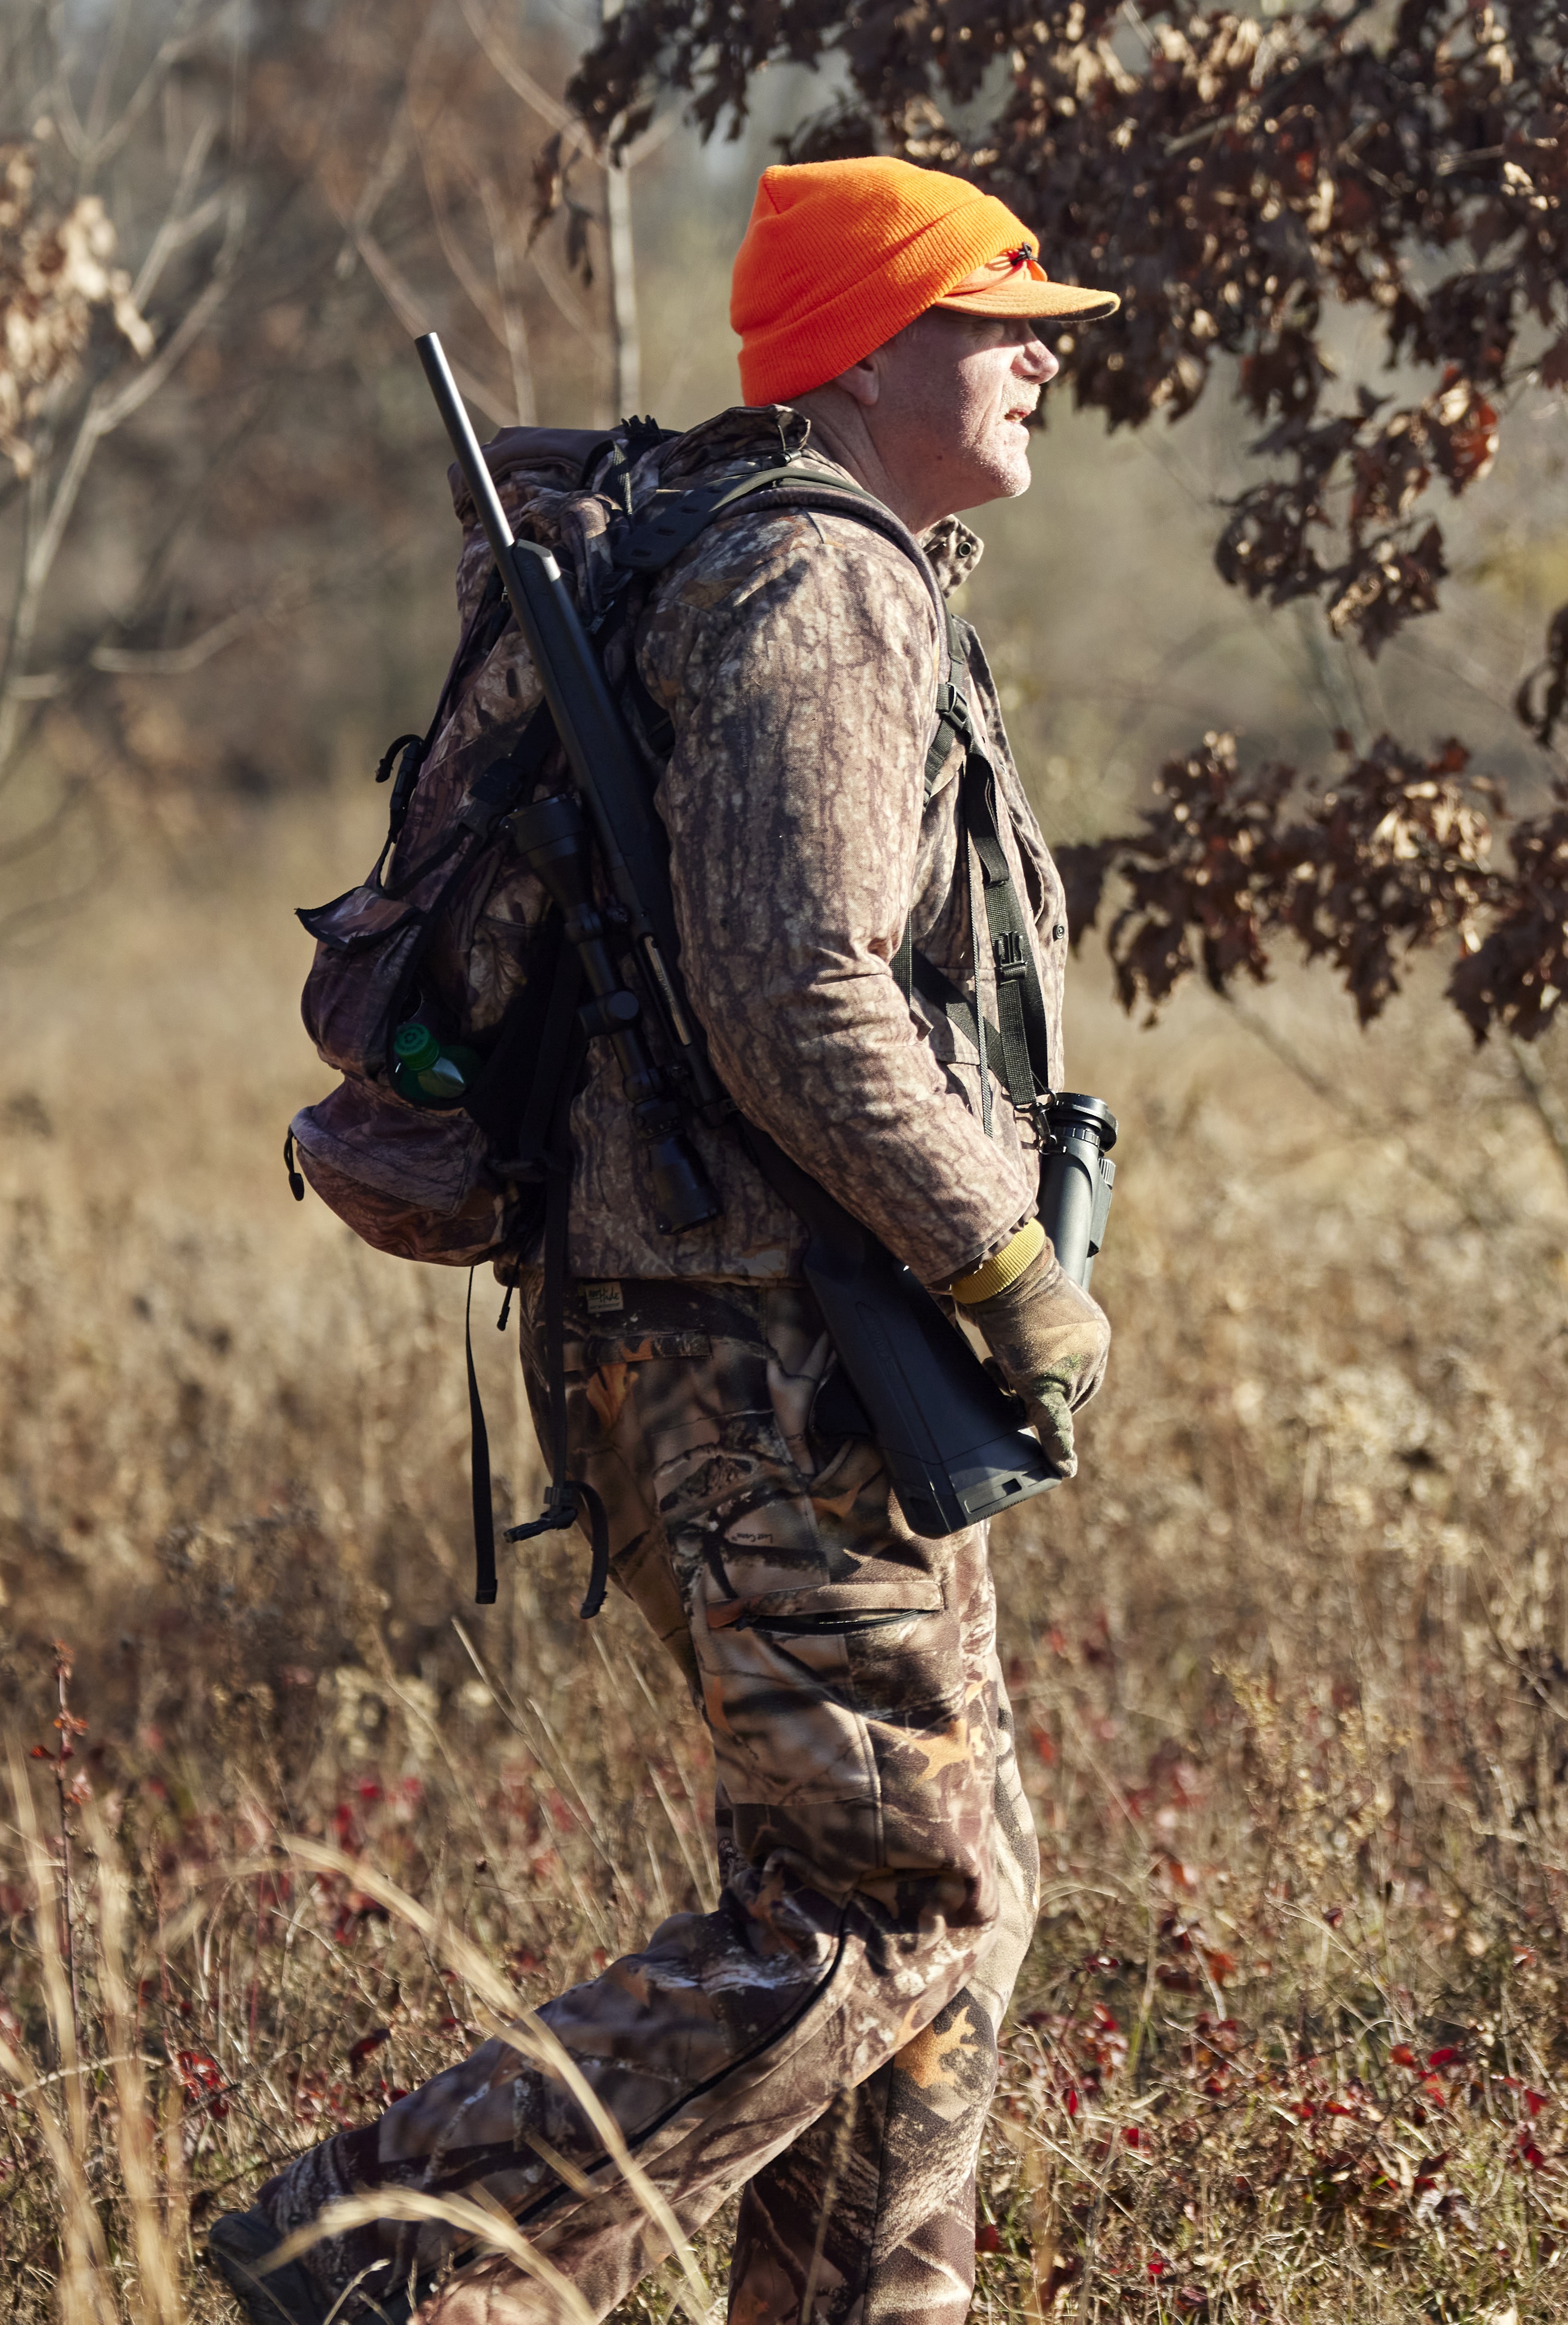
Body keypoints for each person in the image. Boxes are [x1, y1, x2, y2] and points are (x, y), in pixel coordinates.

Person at [210, 159, 1117, 2325]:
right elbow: (798, 983)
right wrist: (1007, 1260)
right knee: (885, 1891)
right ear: (876, 353)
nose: (1044, 362)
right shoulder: (816, 584)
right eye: (1004, 320)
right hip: (770, 1340)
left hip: (776, 1327)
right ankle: (378, 2252)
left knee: (940, 1900)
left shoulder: (804, 558)